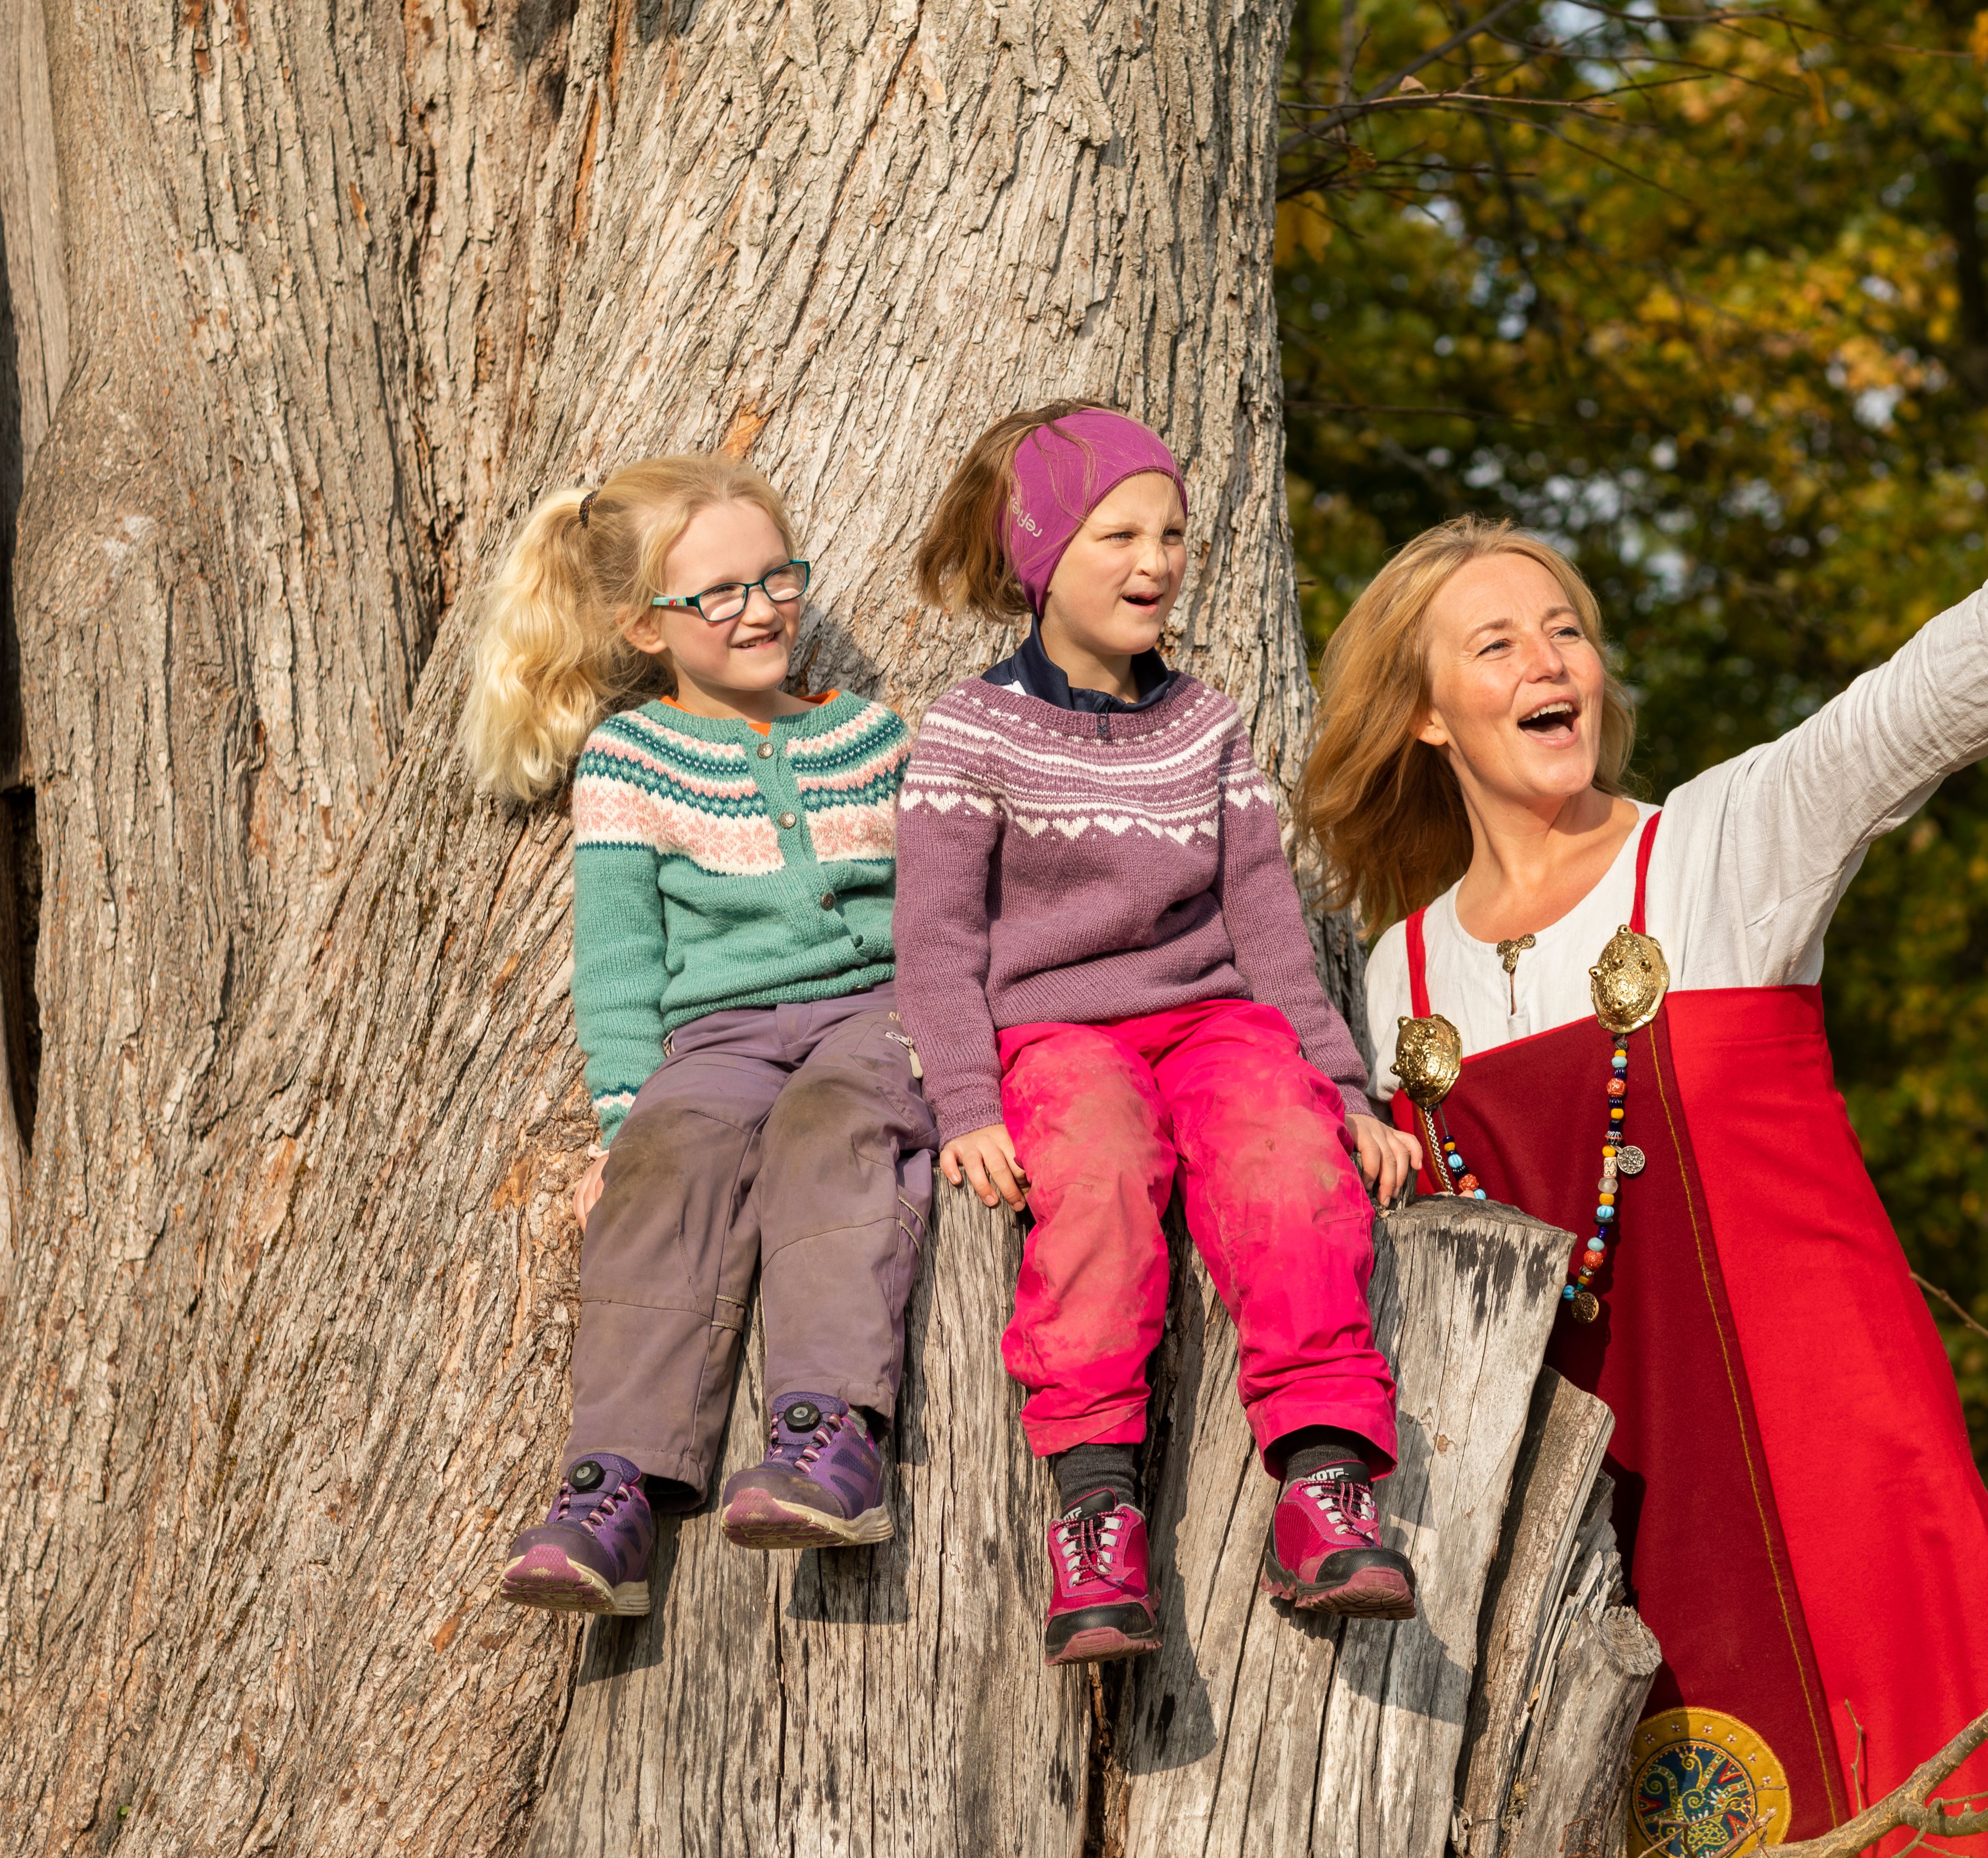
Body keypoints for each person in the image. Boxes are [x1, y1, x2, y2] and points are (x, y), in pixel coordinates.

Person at [1301, 454, 1988, 1858]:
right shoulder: (1396, 981)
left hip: (1828, 1451)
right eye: (1496, 644)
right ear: (1425, 713)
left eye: (1566, 630)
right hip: (1590, 1516)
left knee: (1928, 1835)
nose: (1550, 662)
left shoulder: (1721, 848)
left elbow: (1911, 709)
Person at [893, 402, 1426, 1667]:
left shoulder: (1204, 726)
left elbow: (1270, 933)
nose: (1155, 562)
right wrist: (965, 1104)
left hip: (1211, 1020)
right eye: (1118, 536)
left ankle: (1323, 1478)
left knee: (1286, 1157)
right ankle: (1095, 1508)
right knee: (1094, 1172)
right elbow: (935, 941)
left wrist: (1345, 1092)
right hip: (1054, 1032)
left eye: (1172, 534)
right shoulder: (970, 732)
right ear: (1039, 556)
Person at [461, 454, 931, 1617]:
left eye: (777, 577)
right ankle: (612, 1489)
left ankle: (829, 1434)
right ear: (644, 626)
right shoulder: (631, 762)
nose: (760, 608)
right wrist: (624, 1122)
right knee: (664, 1169)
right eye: (718, 592)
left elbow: (939, 912)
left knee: (832, 1130)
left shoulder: (872, 737)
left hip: (873, 1015)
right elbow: (620, 965)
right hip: (717, 1042)